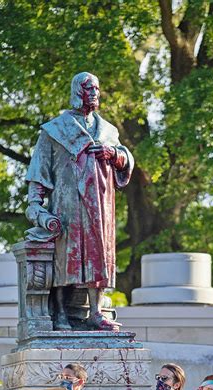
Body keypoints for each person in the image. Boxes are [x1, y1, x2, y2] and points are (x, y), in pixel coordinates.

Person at [26, 71, 134, 331]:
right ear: (78, 92)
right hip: (68, 206)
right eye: (89, 89)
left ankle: (96, 312)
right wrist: (37, 204)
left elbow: (125, 160)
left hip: (102, 207)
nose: (94, 94)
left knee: (100, 256)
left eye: (97, 89)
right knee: (67, 258)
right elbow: (39, 171)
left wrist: (114, 154)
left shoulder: (108, 130)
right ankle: (60, 312)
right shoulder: (55, 130)